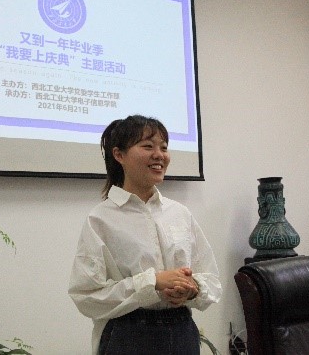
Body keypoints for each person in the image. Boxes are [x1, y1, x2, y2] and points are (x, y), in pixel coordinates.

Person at [68, 115, 221, 355]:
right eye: (148, 146)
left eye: (164, 148)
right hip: (128, 336)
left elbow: (211, 279)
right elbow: (86, 297)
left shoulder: (180, 213)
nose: (159, 155)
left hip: (182, 334)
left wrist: (192, 288)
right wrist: (153, 282)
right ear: (119, 155)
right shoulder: (100, 219)